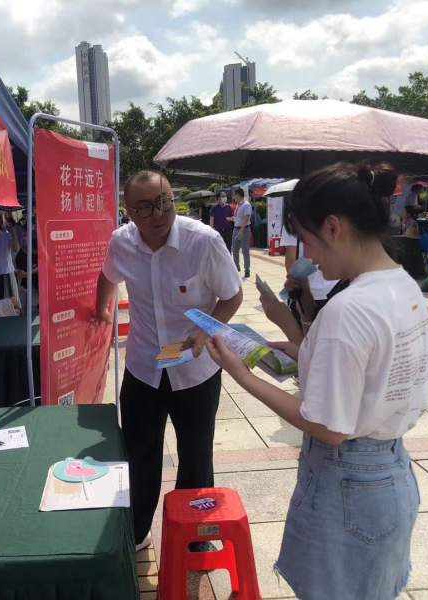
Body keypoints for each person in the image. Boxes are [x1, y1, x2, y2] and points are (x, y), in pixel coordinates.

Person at [206, 161, 428, 600]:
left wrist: (241, 373)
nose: (308, 258)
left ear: (332, 228)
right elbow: (373, 370)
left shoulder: (348, 309)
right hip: (391, 471)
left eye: (306, 241)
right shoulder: (401, 284)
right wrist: (306, 351)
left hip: (348, 482)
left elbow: (329, 426)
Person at [94, 169, 243, 552]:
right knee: (139, 454)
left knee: (196, 455)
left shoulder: (203, 241)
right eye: (146, 207)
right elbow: (108, 276)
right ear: (129, 211)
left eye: (164, 202)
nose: (159, 214)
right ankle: (138, 530)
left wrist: (206, 330)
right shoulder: (121, 242)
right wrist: (101, 308)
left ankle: (194, 536)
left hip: (195, 369)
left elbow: (232, 295)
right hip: (143, 367)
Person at [231, 188, 252, 278]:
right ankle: (236, 268)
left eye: (234, 194)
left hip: (244, 230)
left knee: (245, 251)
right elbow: (238, 217)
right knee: (235, 251)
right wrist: (233, 219)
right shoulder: (238, 205)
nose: (233, 196)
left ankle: (247, 270)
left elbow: (246, 218)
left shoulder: (246, 205)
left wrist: (241, 231)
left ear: (238, 195)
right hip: (235, 229)